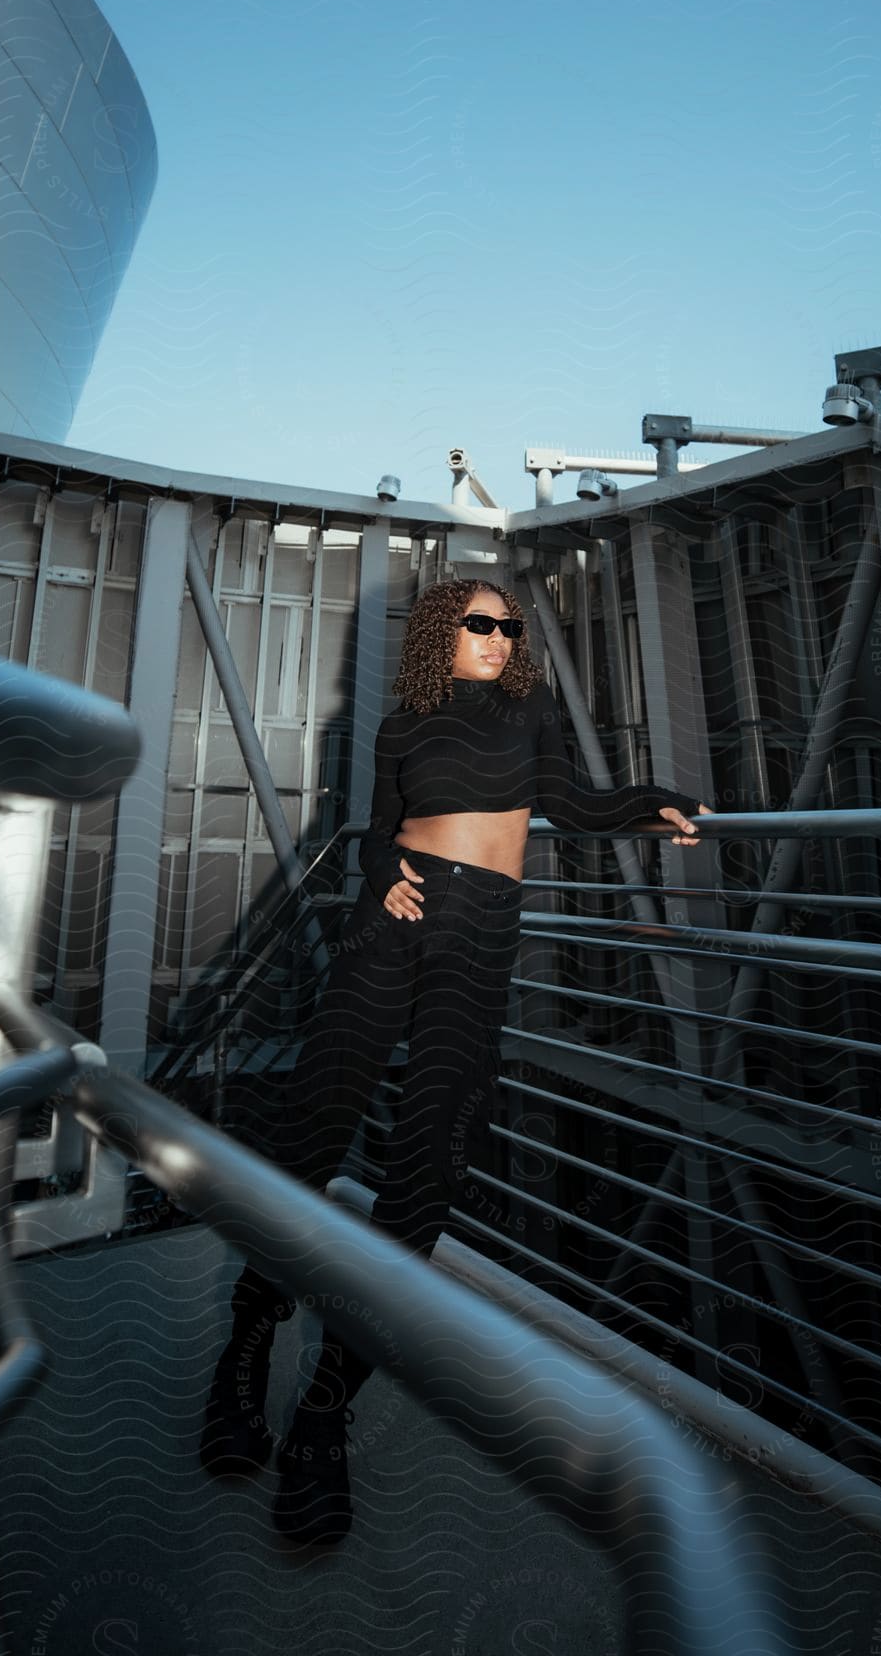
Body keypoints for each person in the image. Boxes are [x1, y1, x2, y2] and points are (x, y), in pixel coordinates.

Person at [200, 577, 707, 1547]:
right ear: (444, 631)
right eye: (480, 624)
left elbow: (577, 807)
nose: (499, 638)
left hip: (481, 933)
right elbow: (382, 836)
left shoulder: (532, 711)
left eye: (509, 627)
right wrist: (386, 877)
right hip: (390, 925)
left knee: (427, 1162)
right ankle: (243, 1350)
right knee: (314, 1131)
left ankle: (322, 1412)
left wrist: (653, 806)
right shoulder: (402, 724)